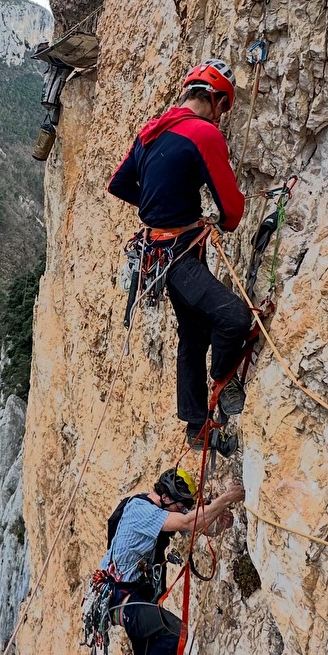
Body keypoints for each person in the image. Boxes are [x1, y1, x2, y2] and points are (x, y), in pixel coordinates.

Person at [108, 60, 252, 453]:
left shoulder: (152, 131)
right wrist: (200, 217)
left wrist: (159, 205)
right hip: (179, 255)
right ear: (217, 100)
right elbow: (232, 212)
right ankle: (224, 382)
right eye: (224, 108)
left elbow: (118, 183)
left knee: (193, 332)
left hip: (158, 251)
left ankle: (195, 426)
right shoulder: (203, 134)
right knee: (234, 318)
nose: (222, 116)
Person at [100, 466, 244, 655]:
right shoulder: (141, 510)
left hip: (133, 596)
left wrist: (219, 521)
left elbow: (197, 524)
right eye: (180, 504)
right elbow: (189, 521)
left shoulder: (162, 510)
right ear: (166, 497)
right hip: (121, 596)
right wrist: (227, 498)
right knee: (175, 634)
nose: (182, 509)